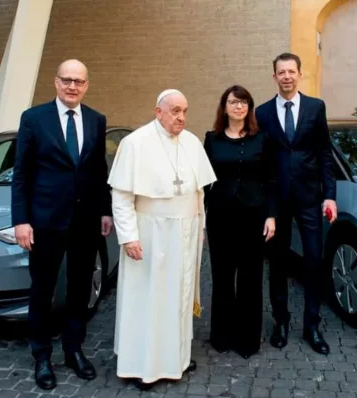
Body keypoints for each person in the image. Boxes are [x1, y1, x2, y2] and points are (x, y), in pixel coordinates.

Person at [11, 59, 113, 389]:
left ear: (86, 85)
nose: (72, 86)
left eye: (79, 81)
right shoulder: (34, 118)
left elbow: (99, 172)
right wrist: (21, 220)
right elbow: (22, 174)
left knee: (80, 289)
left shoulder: (97, 120)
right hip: (44, 221)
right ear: (56, 83)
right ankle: (42, 356)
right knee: (42, 290)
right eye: (67, 80)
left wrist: (105, 211)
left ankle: (73, 349)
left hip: (84, 221)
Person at [107, 89, 216, 390]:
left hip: (186, 232)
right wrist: (129, 237)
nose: (181, 117)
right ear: (158, 111)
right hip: (150, 233)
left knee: (180, 298)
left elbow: (199, 193)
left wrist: (201, 228)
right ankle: (143, 366)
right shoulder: (135, 143)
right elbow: (122, 196)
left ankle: (177, 359)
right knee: (149, 299)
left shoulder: (192, 142)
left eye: (185, 111)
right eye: (174, 111)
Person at [255, 53, 337, 355]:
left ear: (299, 74)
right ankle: (281, 321)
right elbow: (262, 162)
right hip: (276, 201)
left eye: (291, 71)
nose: (286, 76)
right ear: (274, 76)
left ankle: (312, 325)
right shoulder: (262, 113)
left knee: (314, 261)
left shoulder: (316, 108)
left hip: (310, 199)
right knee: (277, 263)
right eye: (281, 72)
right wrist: (265, 209)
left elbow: (325, 153)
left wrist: (330, 195)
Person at [203, 85, 277, 359]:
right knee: (222, 277)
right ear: (224, 107)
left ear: (249, 107)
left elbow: (271, 179)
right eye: (233, 102)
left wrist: (271, 215)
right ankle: (222, 336)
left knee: (250, 277)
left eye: (244, 102)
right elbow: (203, 182)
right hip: (220, 216)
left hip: (253, 216)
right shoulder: (212, 140)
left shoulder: (262, 140)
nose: (238, 107)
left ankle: (247, 339)